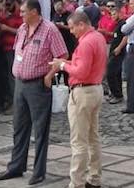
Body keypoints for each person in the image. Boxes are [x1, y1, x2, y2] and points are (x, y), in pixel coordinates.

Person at [0, 0, 67, 186]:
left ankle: (39, 171)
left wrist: (50, 75)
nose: (20, 14)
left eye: (24, 11)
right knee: (19, 127)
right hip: (20, 83)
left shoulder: (50, 29)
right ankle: (16, 166)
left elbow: (62, 55)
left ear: (34, 12)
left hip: (38, 84)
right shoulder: (21, 29)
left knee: (40, 129)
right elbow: (19, 51)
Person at [49, 11, 107, 188]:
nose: (71, 31)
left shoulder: (85, 43)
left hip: (83, 92)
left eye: (73, 27)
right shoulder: (98, 37)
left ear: (82, 24)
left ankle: (77, 183)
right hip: (96, 89)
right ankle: (94, 178)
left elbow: (81, 72)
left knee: (79, 141)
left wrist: (62, 65)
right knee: (92, 137)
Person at [104, 6, 127, 104]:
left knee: (110, 73)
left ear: (119, 14)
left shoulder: (123, 24)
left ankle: (117, 94)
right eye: (111, 14)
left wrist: (119, 48)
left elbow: (126, 36)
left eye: (114, 14)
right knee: (116, 74)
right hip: (113, 51)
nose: (112, 16)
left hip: (118, 52)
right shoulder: (117, 24)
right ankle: (117, 94)